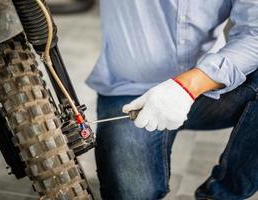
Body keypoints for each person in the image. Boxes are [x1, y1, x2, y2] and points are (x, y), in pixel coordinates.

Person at [86, 1, 258, 199]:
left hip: (208, 86)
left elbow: (254, 34)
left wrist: (187, 86)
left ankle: (222, 195)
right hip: (131, 92)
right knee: (132, 195)